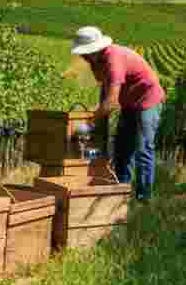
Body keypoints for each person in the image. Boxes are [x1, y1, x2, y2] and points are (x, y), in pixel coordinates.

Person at [70, 26, 166, 201]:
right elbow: (103, 86)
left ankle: (144, 198)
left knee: (143, 148)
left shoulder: (114, 60)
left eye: (85, 53)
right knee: (122, 148)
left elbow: (111, 101)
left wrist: (90, 124)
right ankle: (121, 194)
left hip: (148, 100)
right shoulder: (96, 60)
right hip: (129, 102)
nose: (82, 57)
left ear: (95, 49)